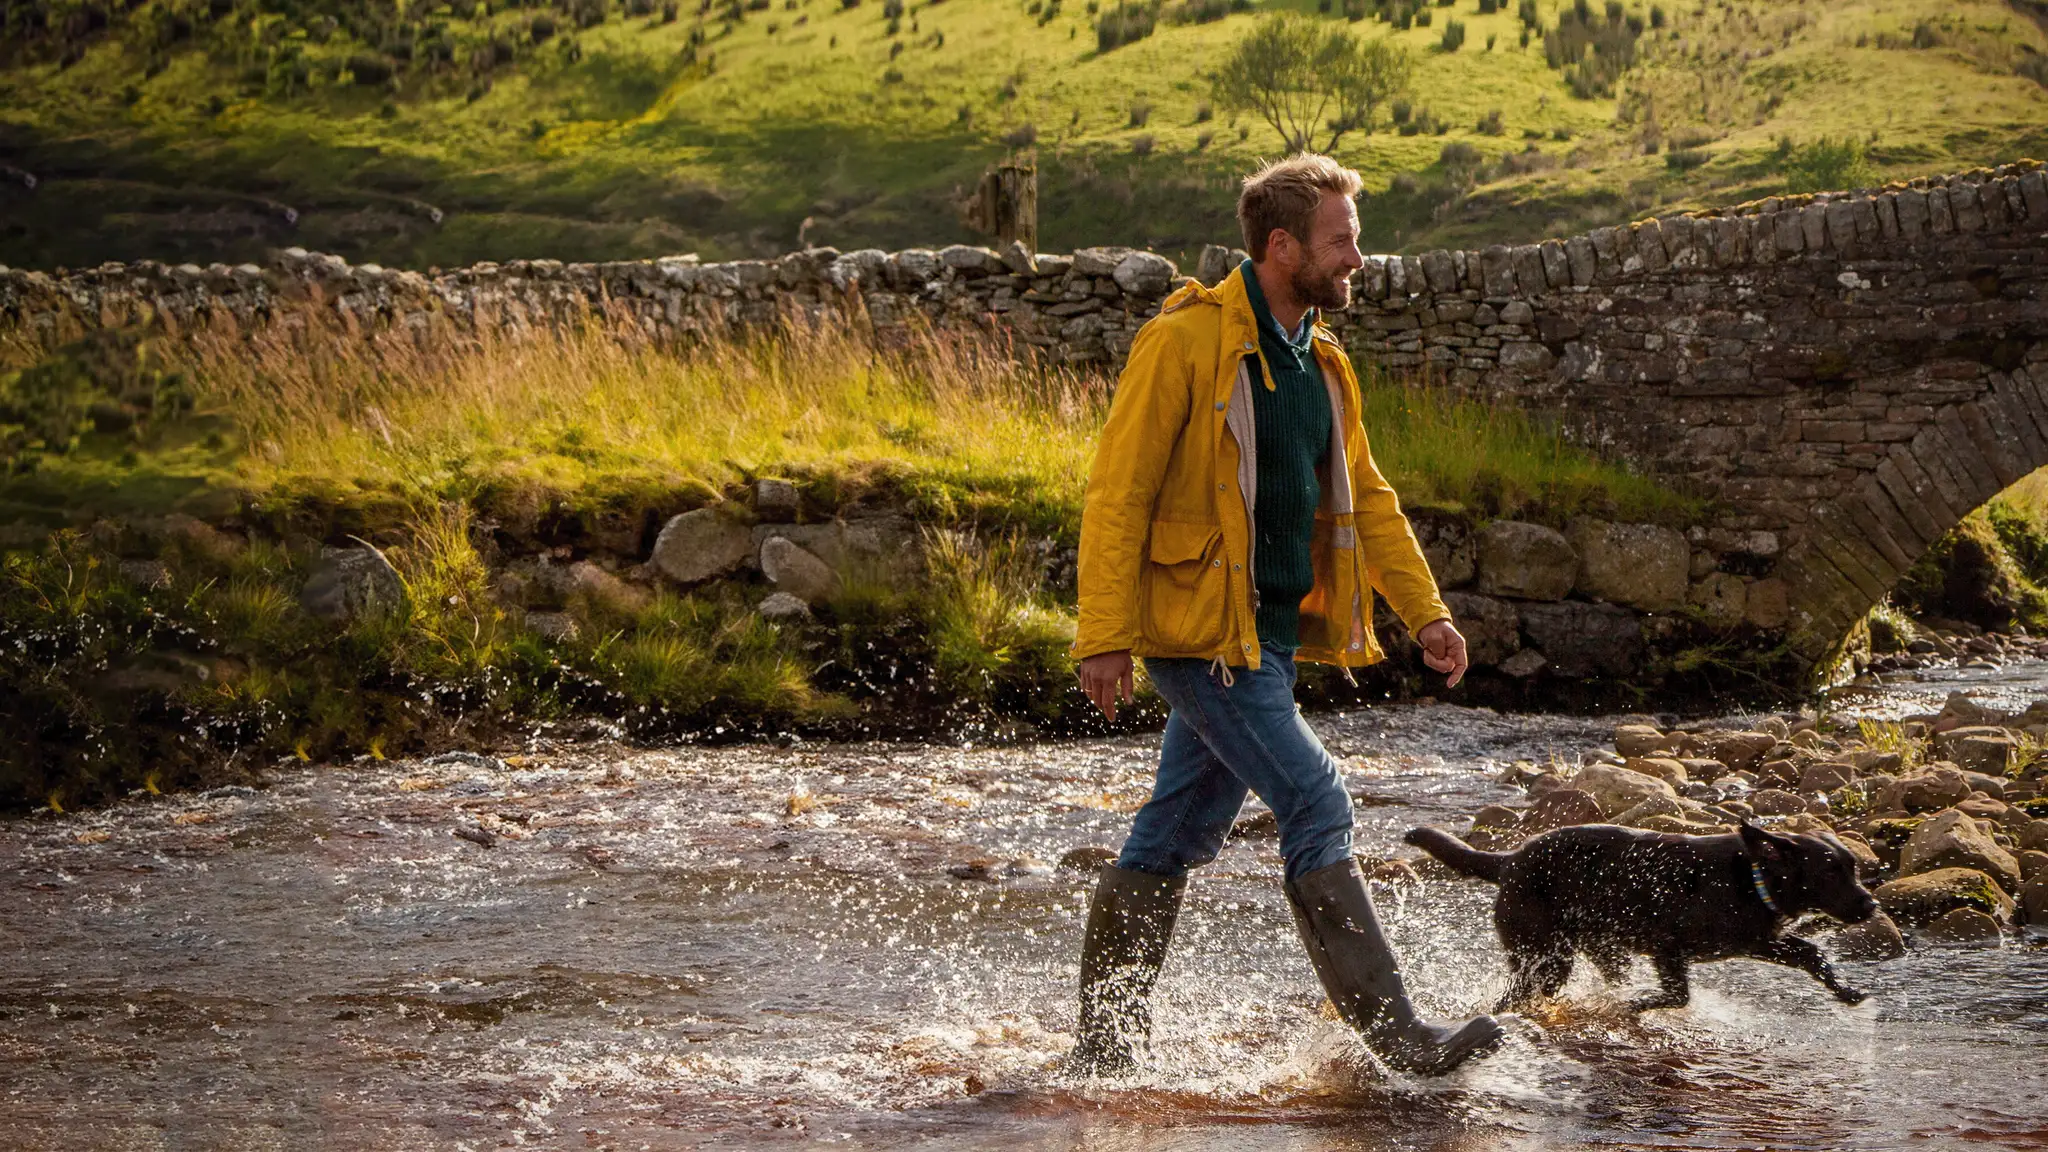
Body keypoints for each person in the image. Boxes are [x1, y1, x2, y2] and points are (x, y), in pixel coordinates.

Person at [1065, 152, 1505, 1078]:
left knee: (1172, 835)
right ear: (1281, 247)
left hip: (1262, 637)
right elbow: (1117, 493)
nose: (1358, 259)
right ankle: (1400, 1038)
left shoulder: (1323, 360)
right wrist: (1103, 635)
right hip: (1200, 635)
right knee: (1315, 797)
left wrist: (1424, 613)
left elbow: (1368, 498)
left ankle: (1104, 1055)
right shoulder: (1184, 341)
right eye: (1341, 241)